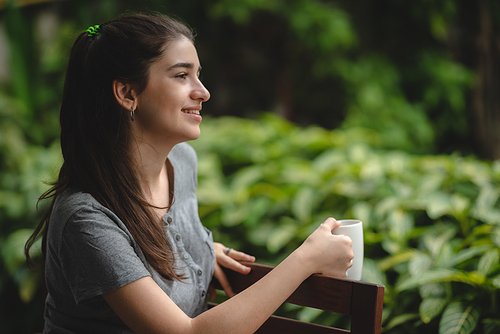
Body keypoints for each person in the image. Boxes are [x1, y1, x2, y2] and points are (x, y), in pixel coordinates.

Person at [25, 13, 354, 334]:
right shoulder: (87, 219)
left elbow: (161, 238)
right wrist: (307, 259)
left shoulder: (181, 161)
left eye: (198, 75)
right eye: (182, 76)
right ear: (127, 94)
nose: (203, 92)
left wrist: (196, 250)